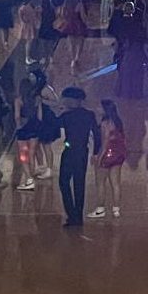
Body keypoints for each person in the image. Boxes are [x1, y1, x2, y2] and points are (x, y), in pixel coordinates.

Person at [58, 86, 102, 227]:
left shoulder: (66, 116)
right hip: (83, 151)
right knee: (79, 184)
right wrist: (95, 152)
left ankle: (72, 215)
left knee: (64, 182)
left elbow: (54, 128)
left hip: (70, 151)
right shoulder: (89, 115)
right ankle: (78, 215)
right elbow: (97, 134)